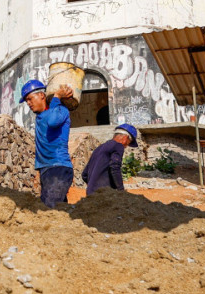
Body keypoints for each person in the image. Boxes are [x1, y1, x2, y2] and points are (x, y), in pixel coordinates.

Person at [23, 79, 75, 208]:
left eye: (30, 99)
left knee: (49, 209)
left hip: (59, 168)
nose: (28, 103)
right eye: (26, 101)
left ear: (41, 95)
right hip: (46, 170)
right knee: (57, 210)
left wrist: (56, 97)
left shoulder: (61, 110)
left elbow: (53, 121)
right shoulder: (40, 116)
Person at [83, 123, 138, 194]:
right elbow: (115, 167)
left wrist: (93, 185)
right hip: (104, 194)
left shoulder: (99, 148)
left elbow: (84, 174)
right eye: (128, 143)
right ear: (125, 138)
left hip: (90, 193)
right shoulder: (118, 145)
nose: (126, 146)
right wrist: (121, 190)